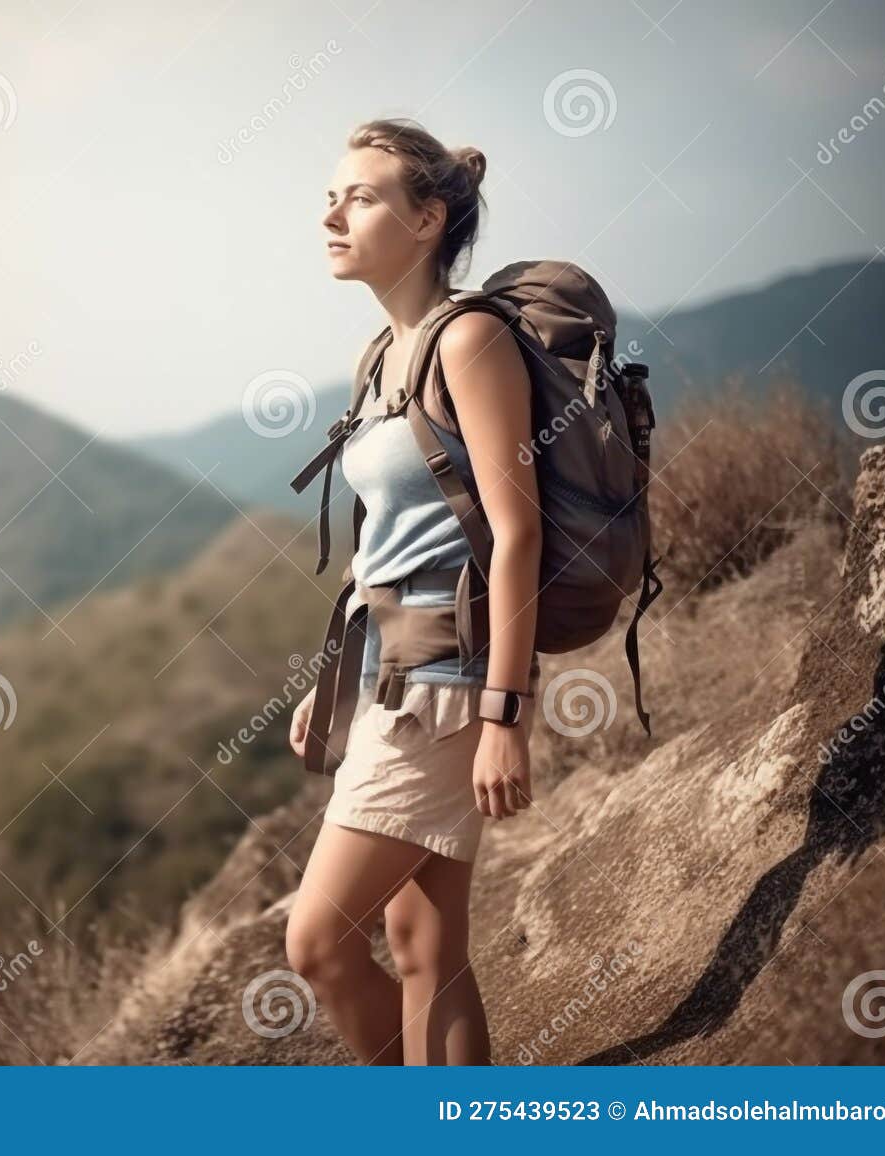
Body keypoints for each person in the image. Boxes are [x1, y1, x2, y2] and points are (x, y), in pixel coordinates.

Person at [285, 118, 542, 1066]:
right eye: (330, 195)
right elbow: (384, 548)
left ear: (428, 219)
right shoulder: (381, 357)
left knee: (314, 942)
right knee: (423, 946)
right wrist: (333, 681)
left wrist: (506, 712)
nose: (331, 215)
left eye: (359, 197)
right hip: (395, 677)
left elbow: (516, 532)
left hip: (453, 686)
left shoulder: (470, 341)